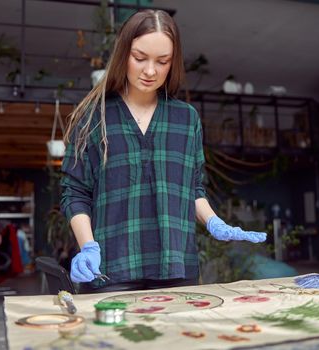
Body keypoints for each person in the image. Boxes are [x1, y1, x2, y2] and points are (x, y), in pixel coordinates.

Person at [60, 9, 266, 293]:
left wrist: (215, 222)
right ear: (123, 54)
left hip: (176, 268)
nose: (150, 71)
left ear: (173, 63)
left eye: (162, 61)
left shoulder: (186, 118)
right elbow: (75, 191)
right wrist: (88, 247)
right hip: (110, 270)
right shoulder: (95, 116)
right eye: (139, 58)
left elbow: (192, 188)